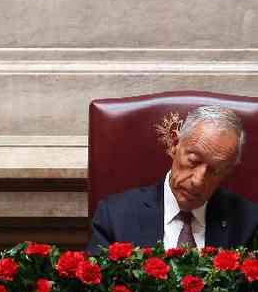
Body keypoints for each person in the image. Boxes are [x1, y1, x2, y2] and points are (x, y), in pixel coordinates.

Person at [87, 105, 258, 254]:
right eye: (193, 161)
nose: (198, 181)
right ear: (175, 145)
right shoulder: (115, 216)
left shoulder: (249, 223)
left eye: (214, 170)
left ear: (227, 171)